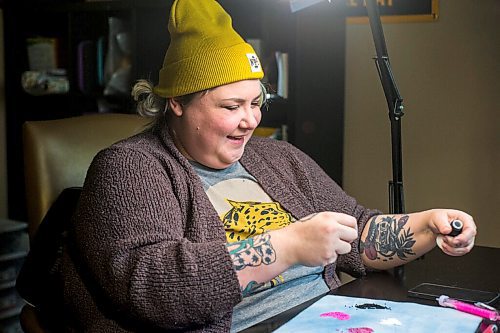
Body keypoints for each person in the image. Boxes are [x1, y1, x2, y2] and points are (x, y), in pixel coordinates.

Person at [60, 0, 477, 332]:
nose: (250, 120)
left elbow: (357, 231)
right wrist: (288, 246)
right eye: (231, 106)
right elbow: (153, 289)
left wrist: (428, 225)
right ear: (177, 103)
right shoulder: (129, 168)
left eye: (256, 103)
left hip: (325, 317)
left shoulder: (274, 156)